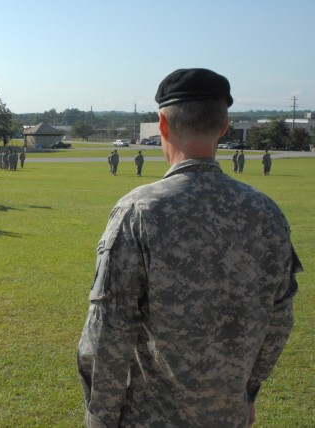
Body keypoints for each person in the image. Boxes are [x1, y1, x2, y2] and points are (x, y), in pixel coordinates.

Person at [77, 68, 301, 427]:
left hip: (148, 417)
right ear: (224, 125)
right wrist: (248, 392)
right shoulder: (266, 213)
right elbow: (279, 322)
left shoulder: (139, 211)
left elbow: (109, 328)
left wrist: (99, 414)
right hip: (228, 414)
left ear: (162, 125)